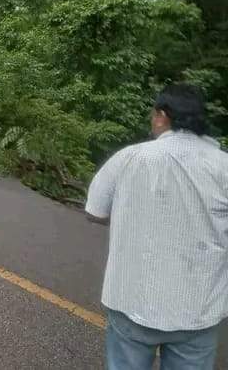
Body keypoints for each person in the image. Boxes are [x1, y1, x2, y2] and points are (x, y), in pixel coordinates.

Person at [86, 83, 228, 370]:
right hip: (197, 311)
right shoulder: (223, 165)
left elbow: (94, 212)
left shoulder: (130, 157)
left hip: (132, 300)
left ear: (162, 116)